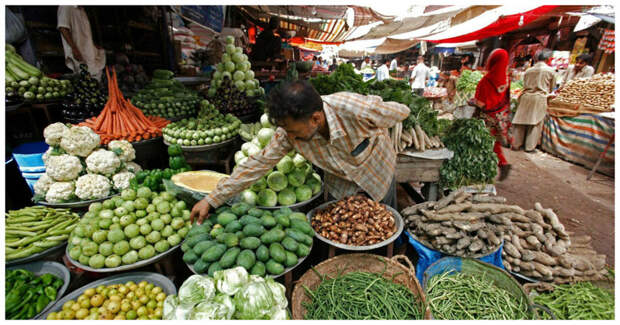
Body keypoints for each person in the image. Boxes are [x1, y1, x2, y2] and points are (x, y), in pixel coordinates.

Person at [190, 80, 410, 224]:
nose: (290, 139)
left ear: (316, 118)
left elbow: (401, 111)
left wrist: (376, 128)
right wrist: (212, 200)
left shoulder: (354, 108)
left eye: (294, 132)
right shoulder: (288, 133)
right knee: (345, 225)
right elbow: (257, 164)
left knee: (385, 221)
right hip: (339, 182)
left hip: (376, 171)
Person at [469, 48, 513, 181]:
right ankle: (501, 164)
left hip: (486, 118)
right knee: (493, 143)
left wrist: (471, 101)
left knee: (481, 143)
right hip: (499, 117)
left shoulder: (488, 79)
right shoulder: (505, 79)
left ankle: (483, 171)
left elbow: (481, 103)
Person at [512, 49, 556, 152]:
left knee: (520, 122)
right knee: (535, 123)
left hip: (525, 96)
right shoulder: (550, 71)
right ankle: (529, 147)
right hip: (539, 97)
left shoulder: (529, 70)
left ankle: (516, 144)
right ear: (548, 59)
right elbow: (551, 88)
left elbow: (524, 83)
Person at [57, 6, 106, 80]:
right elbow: (63, 28)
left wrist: (93, 45)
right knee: (86, 77)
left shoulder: (81, 9)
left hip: (88, 50)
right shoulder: (66, 6)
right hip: (79, 52)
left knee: (95, 75)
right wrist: (74, 49)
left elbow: (85, 32)